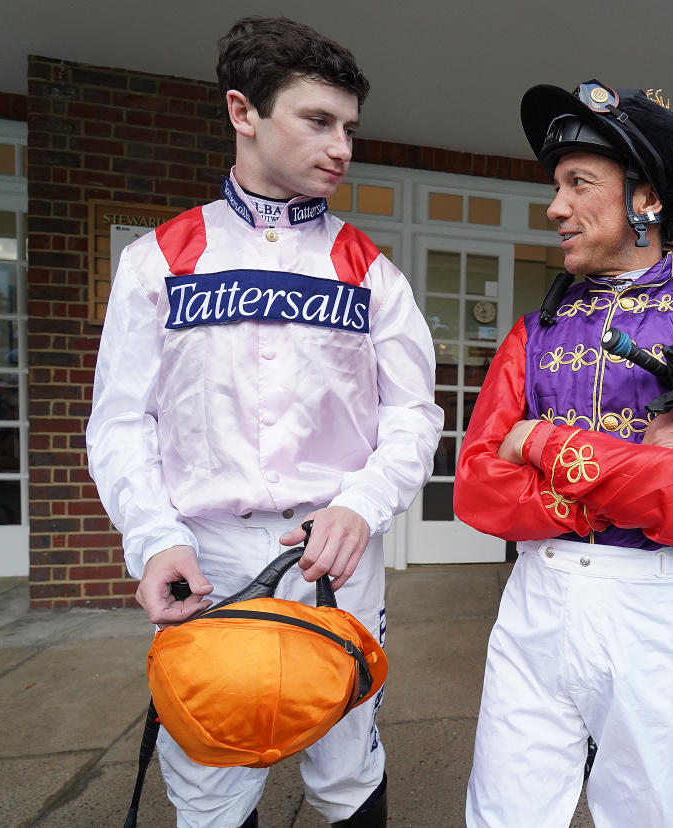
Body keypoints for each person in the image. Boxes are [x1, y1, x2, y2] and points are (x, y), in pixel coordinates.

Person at [85, 17, 442, 828]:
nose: (342, 146)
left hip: (335, 554)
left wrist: (361, 505)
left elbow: (414, 416)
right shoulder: (160, 260)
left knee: (347, 762)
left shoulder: (372, 273)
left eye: (349, 127)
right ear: (244, 112)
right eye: (318, 121)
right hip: (205, 553)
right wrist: (153, 539)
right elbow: (119, 423)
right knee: (211, 774)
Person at [454, 79, 673, 827]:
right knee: (503, 813)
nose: (554, 207)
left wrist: (540, 440)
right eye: (556, 185)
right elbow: (475, 486)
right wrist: (642, 457)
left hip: (652, 605)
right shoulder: (531, 333)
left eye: (578, 184)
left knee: (645, 815)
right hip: (535, 599)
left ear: (647, 201)